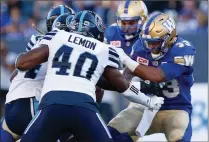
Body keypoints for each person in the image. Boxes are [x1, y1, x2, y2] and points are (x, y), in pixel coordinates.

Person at [16, 10, 164, 142]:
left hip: (52, 105)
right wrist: (148, 101)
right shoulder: (103, 48)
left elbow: (22, 63)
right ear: (97, 30)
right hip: (84, 108)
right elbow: (122, 86)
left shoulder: (58, 36)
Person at [108, 13, 196, 142]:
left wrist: (127, 60)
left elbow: (157, 76)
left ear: (169, 38)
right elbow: (125, 78)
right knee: (112, 133)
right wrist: (133, 86)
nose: (150, 47)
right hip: (143, 106)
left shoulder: (182, 49)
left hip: (176, 108)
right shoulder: (139, 46)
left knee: (179, 137)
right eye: (148, 42)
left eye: (155, 43)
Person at [0, 5, 75, 142]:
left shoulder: (37, 39)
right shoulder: (71, 47)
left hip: (12, 103)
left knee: (4, 127)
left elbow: (14, 76)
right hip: (35, 102)